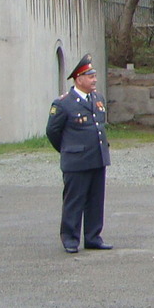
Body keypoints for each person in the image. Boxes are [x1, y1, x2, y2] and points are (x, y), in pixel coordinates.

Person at [45, 54, 112, 253]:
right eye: (90, 77)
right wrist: (67, 150)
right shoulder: (64, 103)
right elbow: (52, 132)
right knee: (74, 201)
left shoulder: (97, 98)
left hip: (97, 158)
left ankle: (93, 237)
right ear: (79, 79)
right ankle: (70, 238)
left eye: (94, 76)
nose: (94, 80)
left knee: (95, 200)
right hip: (76, 161)